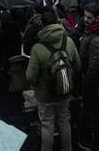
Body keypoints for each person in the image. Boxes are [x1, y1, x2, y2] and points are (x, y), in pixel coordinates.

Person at [26, 12, 80, 151]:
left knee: (47, 124)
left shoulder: (37, 49)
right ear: (57, 22)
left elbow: (30, 76)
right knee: (64, 121)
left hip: (45, 95)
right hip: (65, 91)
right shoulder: (69, 42)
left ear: (42, 26)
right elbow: (78, 66)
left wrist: (37, 85)